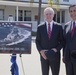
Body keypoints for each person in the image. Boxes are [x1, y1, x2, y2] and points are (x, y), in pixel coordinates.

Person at [35, 7, 63, 75]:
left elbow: (62, 41)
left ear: (53, 15)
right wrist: (41, 51)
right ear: (44, 15)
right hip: (44, 56)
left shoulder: (59, 27)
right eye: (46, 14)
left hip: (55, 56)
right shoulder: (40, 27)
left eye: (50, 14)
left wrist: (56, 49)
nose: (48, 16)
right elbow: (37, 41)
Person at [63, 5, 76, 75]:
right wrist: (63, 55)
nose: (72, 13)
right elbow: (64, 42)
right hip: (68, 58)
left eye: (74, 11)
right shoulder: (66, 25)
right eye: (71, 11)